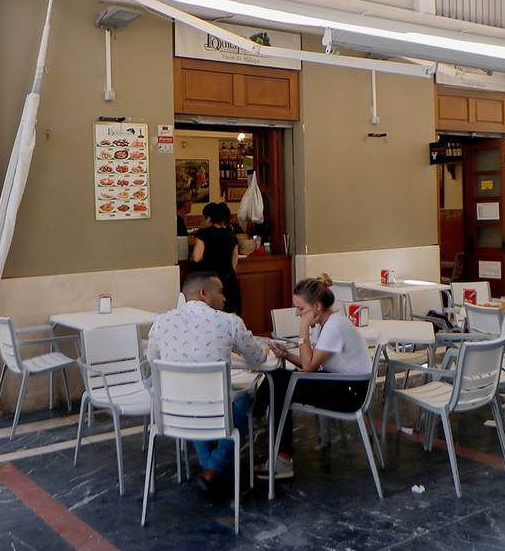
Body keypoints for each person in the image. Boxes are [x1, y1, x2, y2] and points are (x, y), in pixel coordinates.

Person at [144, 272, 268, 496]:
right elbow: (258, 358)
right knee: (247, 398)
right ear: (204, 293)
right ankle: (213, 466)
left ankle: (208, 465)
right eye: (220, 291)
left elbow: (153, 361)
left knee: (192, 401)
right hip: (216, 412)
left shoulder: (161, 322)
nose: (225, 298)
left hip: (173, 413)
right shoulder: (229, 321)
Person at [262, 275, 373, 480]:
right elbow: (311, 362)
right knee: (278, 379)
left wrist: (302, 328)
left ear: (318, 306)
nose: (298, 314)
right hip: (342, 383)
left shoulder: (333, 327)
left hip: (351, 393)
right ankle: (262, 423)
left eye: (301, 309)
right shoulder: (325, 323)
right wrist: (287, 355)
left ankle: (279, 453)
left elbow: (309, 367)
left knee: (278, 383)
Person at [191, 202, 243, 315]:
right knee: (229, 315)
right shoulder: (231, 235)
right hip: (229, 280)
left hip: (210, 281)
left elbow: (197, 257)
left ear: (209, 218)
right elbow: (234, 261)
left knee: (210, 316)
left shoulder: (203, 234)